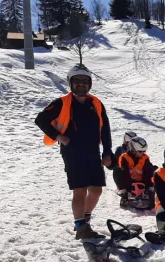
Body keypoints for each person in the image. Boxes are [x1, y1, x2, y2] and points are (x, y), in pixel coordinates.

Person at [35, 63, 113, 239]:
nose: (81, 84)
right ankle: (81, 227)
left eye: (85, 81)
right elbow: (41, 119)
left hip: (93, 151)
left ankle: (84, 220)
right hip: (72, 153)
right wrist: (58, 136)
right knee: (80, 191)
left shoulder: (96, 103)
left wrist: (107, 152)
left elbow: (105, 129)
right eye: (77, 81)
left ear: (89, 84)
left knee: (96, 190)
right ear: (70, 83)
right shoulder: (61, 103)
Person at [112, 134, 156, 209]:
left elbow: (148, 172)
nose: (142, 153)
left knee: (154, 169)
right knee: (117, 170)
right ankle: (124, 193)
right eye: (140, 151)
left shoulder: (145, 158)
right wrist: (128, 189)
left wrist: (148, 186)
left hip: (142, 182)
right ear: (133, 150)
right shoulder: (125, 157)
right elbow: (125, 173)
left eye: (144, 151)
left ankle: (150, 191)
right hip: (128, 182)